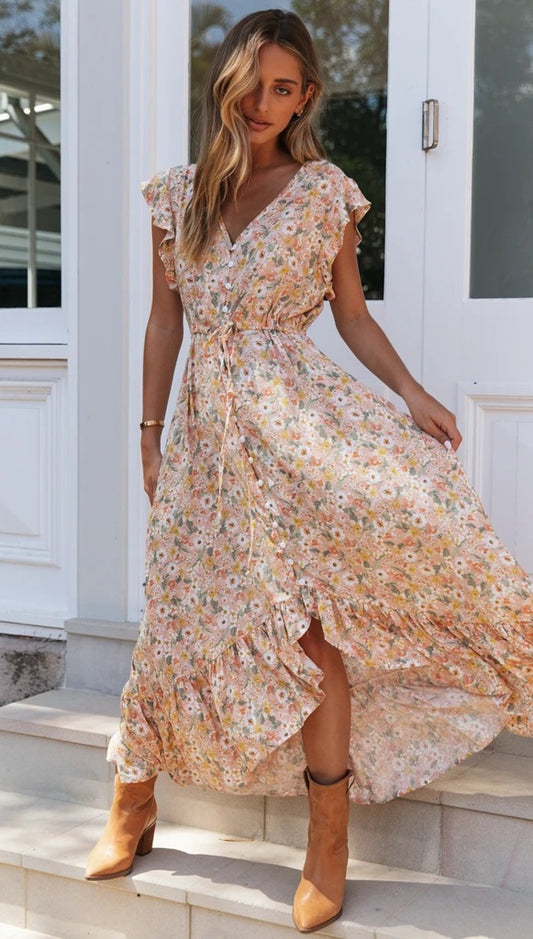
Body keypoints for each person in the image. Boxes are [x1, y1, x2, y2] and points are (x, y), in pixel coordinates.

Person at [85, 8, 533, 934]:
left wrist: (410, 392)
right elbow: (164, 322)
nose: (262, 103)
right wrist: (147, 431)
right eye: (251, 82)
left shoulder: (325, 190)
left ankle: (325, 837)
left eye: (282, 87)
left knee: (315, 627)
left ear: (307, 97)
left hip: (298, 424)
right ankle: (132, 798)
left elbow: (352, 316)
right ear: (225, 84)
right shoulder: (178, 196)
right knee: (176, 612)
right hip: (209, 438)